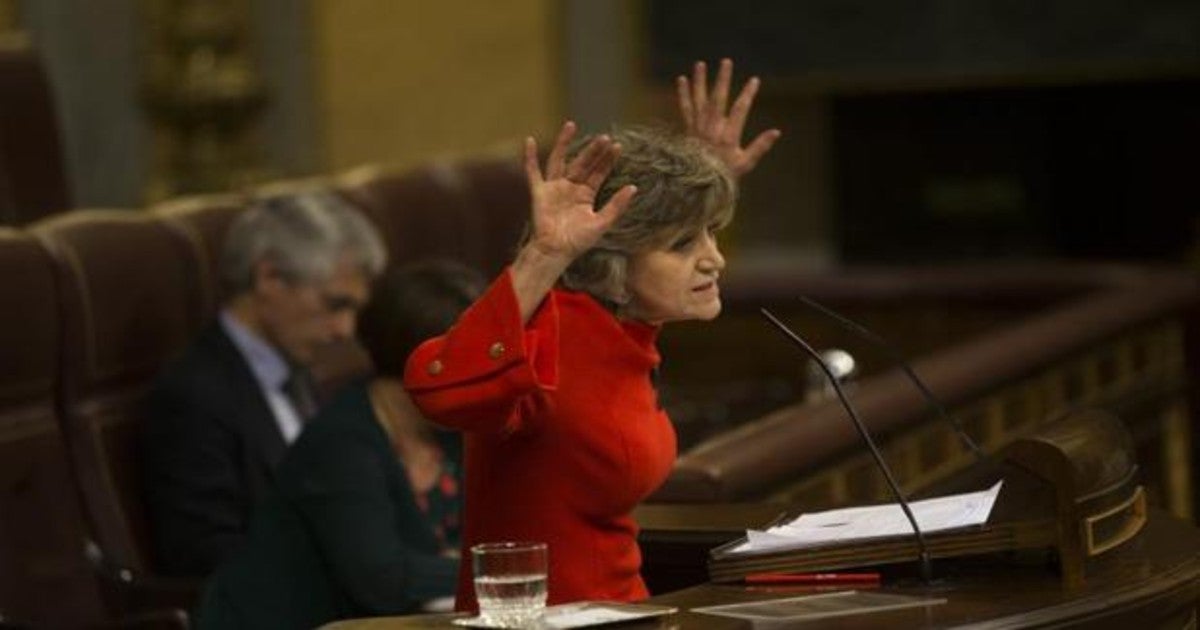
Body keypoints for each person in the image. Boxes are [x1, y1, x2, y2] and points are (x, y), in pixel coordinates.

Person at [403, 59, 780, 609]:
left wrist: (703, 180)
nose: (714, 260)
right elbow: (439, 389)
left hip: (628, 611)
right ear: (614, 262)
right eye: (683, 245)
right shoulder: (553, 327)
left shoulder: (626, 326)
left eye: (713, 233)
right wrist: (546, 254)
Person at [194, 261, 484, 630]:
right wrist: (493, 567)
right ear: (426, 365)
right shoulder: (341, 443)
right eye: (473, 364)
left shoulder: (452, 433)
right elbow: (383, 581)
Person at [141, 190, 387, 577]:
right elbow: (207, 557)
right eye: (335, 305)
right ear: (269, 277)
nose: (346, 330)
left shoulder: (302, 373)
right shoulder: (193, 396)